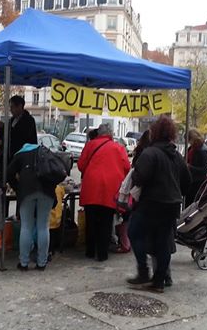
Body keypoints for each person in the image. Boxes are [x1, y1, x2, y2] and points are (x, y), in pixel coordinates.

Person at [127, 116, 191, 293]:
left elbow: (139, 177)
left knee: (133, 231)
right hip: (171, 205)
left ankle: (143, 271)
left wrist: (135, 176)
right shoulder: (177, 156)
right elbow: (187, 181)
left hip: (151, 203)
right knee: (163, 243)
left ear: (154, 132)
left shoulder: (150, 153)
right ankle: (159, 282)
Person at [78, 124, 130, 262]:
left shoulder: (90, 145)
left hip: (91, 188)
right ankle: (102, 254)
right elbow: (127, 167)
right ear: (111, 134)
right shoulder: (119, 147)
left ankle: (90, 251)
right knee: (106, 222)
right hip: (110, 190)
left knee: (91, 221)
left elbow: (80, 165)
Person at [7, 143, 56, 271]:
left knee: (26, 226)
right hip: (47, 192)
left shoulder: (20, 154)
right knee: (43, 226)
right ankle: (42, 263)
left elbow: (9, 173)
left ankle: (23, 263)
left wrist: (17, 188)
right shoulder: (46, 152)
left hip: (26, 192)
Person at [184, 129, 207, 208]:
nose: (188, 143)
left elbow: (205, 169)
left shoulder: (202, 150)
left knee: (191, 206)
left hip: (197, 184)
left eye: (189, 140)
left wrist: (190, 167)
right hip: (191, 182)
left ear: (193, 139)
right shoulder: (192, 148)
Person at [8, 95, 37, 162]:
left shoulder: (29, 120)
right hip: (11, 157)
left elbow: (22, 135)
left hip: (24, 157)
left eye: (12, 107)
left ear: (20, 106)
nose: (11, 110)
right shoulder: (12, 120)